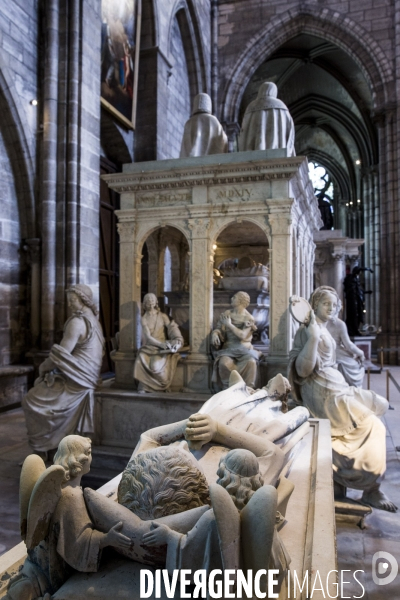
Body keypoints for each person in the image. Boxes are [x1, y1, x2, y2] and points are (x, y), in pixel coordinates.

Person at [288, 286, 397, 511]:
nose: (332, 308)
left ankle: (343, 478)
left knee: (381, 405)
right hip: (321, 392)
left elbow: (341, 348)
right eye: (326, 303)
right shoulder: (308, 330)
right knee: (374, 426)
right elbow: (302, 371)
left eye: (334, 304)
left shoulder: (329, 327)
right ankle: (371, 490)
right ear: (314, 305)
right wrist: (313, 339)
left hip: (336, 386)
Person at [6, 436, 131, 600]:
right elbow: (78, 541)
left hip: (39, 564)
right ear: (80, 460)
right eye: (89, 453)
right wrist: (106, 539)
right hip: (49, 572)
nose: (91, 457)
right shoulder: (71, 496)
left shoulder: (63, 488)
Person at [22, 285, 104, 460]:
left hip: (78, 382)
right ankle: (51, 448)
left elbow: (61, 354)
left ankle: (41, 450)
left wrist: (44, 367)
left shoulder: (77, 323)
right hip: (84, 377)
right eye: (68, 300)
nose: (69, 304)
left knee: (31, 400)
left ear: (84, 301)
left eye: (73, 300)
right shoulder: (94, 322)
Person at [134, 293, 184, 392]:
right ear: (144, 303)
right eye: (147, 300)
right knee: (140, 359)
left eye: (152, 299)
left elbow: (171, 328)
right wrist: (161, 344)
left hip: (162, 348)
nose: (150, 301)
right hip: (151, 346)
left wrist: (177, 339)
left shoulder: (163, 316)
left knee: (155, 366)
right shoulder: (144, 319)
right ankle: (143, 385)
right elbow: (148, 337)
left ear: (156, 302)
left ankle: (162, 385)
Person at [211, 291, 261, 389]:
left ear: (241, 301)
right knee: (224, 363)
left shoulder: (248, 318)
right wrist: (215, 334)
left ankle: (248, 389)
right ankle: (228, 388)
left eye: (234, 298)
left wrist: (229, 324)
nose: (231, 299)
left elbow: (242, 335)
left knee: (251, 362)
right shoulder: (227, 313)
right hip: (229, 348)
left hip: (244, 350)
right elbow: (219, 328)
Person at [238, 81, 296, 156]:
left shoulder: (251, 106)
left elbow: (244, 130)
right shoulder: (281, 106)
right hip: (277, 154)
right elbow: (289, 130)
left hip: (252, 154)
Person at [180, 93, 228, 157]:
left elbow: (185, 148)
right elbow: (223, 141)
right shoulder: (214, 121)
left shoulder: (189, 123)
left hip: (189, 164)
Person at [327, 308, 365, 388]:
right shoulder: (339, 324)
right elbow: (349, 345)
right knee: (354, 365)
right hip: (335, 353)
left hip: (324, 352)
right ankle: (353, 390)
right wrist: (361, 353)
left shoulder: (317, 322)